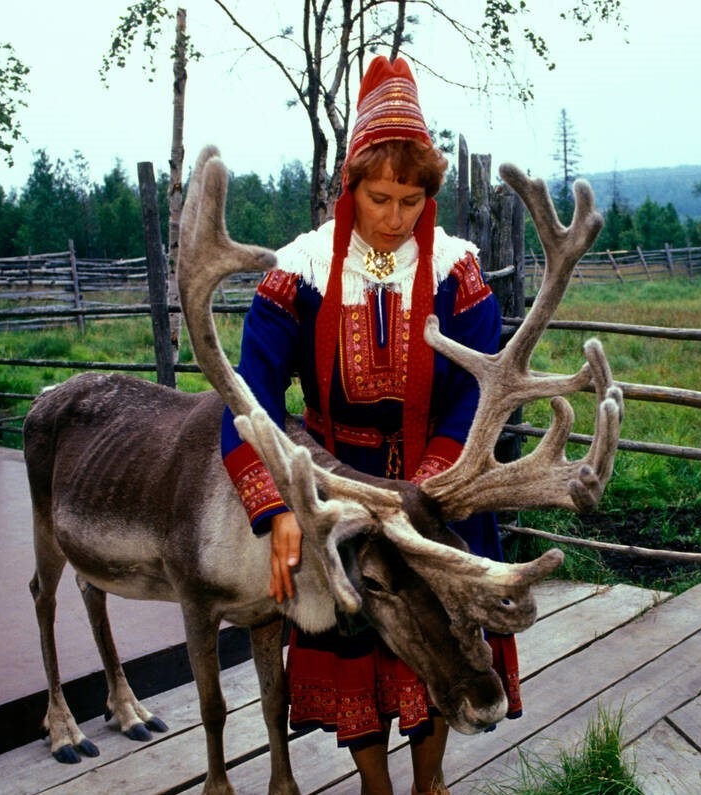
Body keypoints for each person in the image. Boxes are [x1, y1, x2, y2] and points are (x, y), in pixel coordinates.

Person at [220, 55, 519, 795]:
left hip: (438, 492)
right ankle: (377, 787)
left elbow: (480, 397)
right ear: (348, 186)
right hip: (335, 498)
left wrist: (427, 491)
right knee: (355, 638)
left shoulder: (460, 274)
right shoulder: (301, 272)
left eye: (411, 201)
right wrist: (274, 509)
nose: (394, 218)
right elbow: (246, 400)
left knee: (443, 641)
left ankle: (430, 780)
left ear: (430, 195)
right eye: (380, 198)